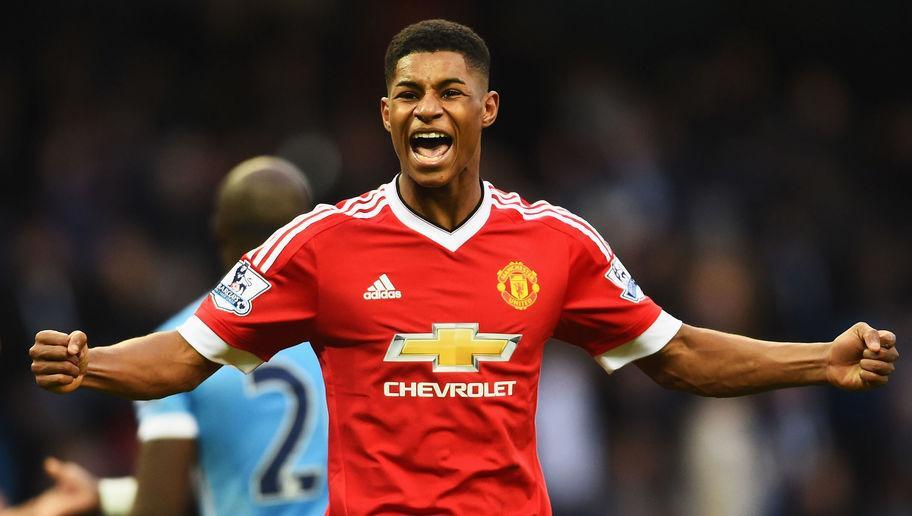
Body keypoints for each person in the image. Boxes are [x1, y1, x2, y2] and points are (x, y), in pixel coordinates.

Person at [28, 19, 899, 515]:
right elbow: (185, 356)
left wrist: (816, 361)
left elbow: (677, 354)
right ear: (384, 114)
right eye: (408, 94)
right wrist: (89, 364)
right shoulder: (321, 243)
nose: (427, 109)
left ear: (485, 108)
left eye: (449, 92)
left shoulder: (557, 242)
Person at [17, 157, 329, 516]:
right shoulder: (343, 326)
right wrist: (104, 495)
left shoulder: (174, 343)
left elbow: (160, 502)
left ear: (219, 234)